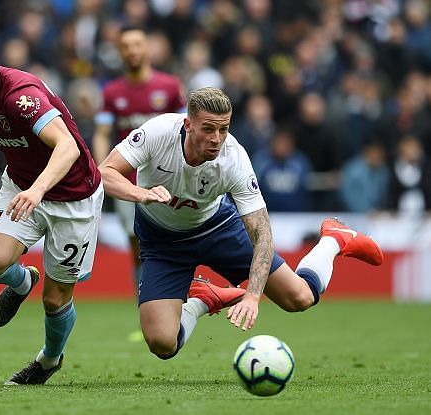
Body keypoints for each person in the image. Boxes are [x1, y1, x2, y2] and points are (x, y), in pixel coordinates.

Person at [98, 87, 383, 360]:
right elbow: (105, 173)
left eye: (224, 129)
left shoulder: (234, 159)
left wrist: (252, 297)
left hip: (216, 228)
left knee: (300, 298)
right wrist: (140, 194)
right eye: (208, 129)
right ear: (188, 124)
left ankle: (334, 238)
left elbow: (262, 235)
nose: (216, 138)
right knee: (162, 344)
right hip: (162, 241)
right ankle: (203, 301)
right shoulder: (156, 133)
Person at [0, 28, 103, 385]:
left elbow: (68, 147)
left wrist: (39, 190)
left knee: (55, 301)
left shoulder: (21, 97)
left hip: (73, 196)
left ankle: (48, 360)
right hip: (23, 184)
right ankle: (21, 281)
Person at [92, 25, 185, 299]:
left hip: (167, 179)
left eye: (137, 44)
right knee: (138, 247)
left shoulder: (168, 87)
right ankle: (144, 304)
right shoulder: (111, 92)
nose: (132, 50)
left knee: (173, 242)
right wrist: (103, 173)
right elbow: (101, 134)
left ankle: (179, 301)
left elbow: (186, 128)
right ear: (120, 52)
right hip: (128, 184)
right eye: (126, 46)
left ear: (147, 48)